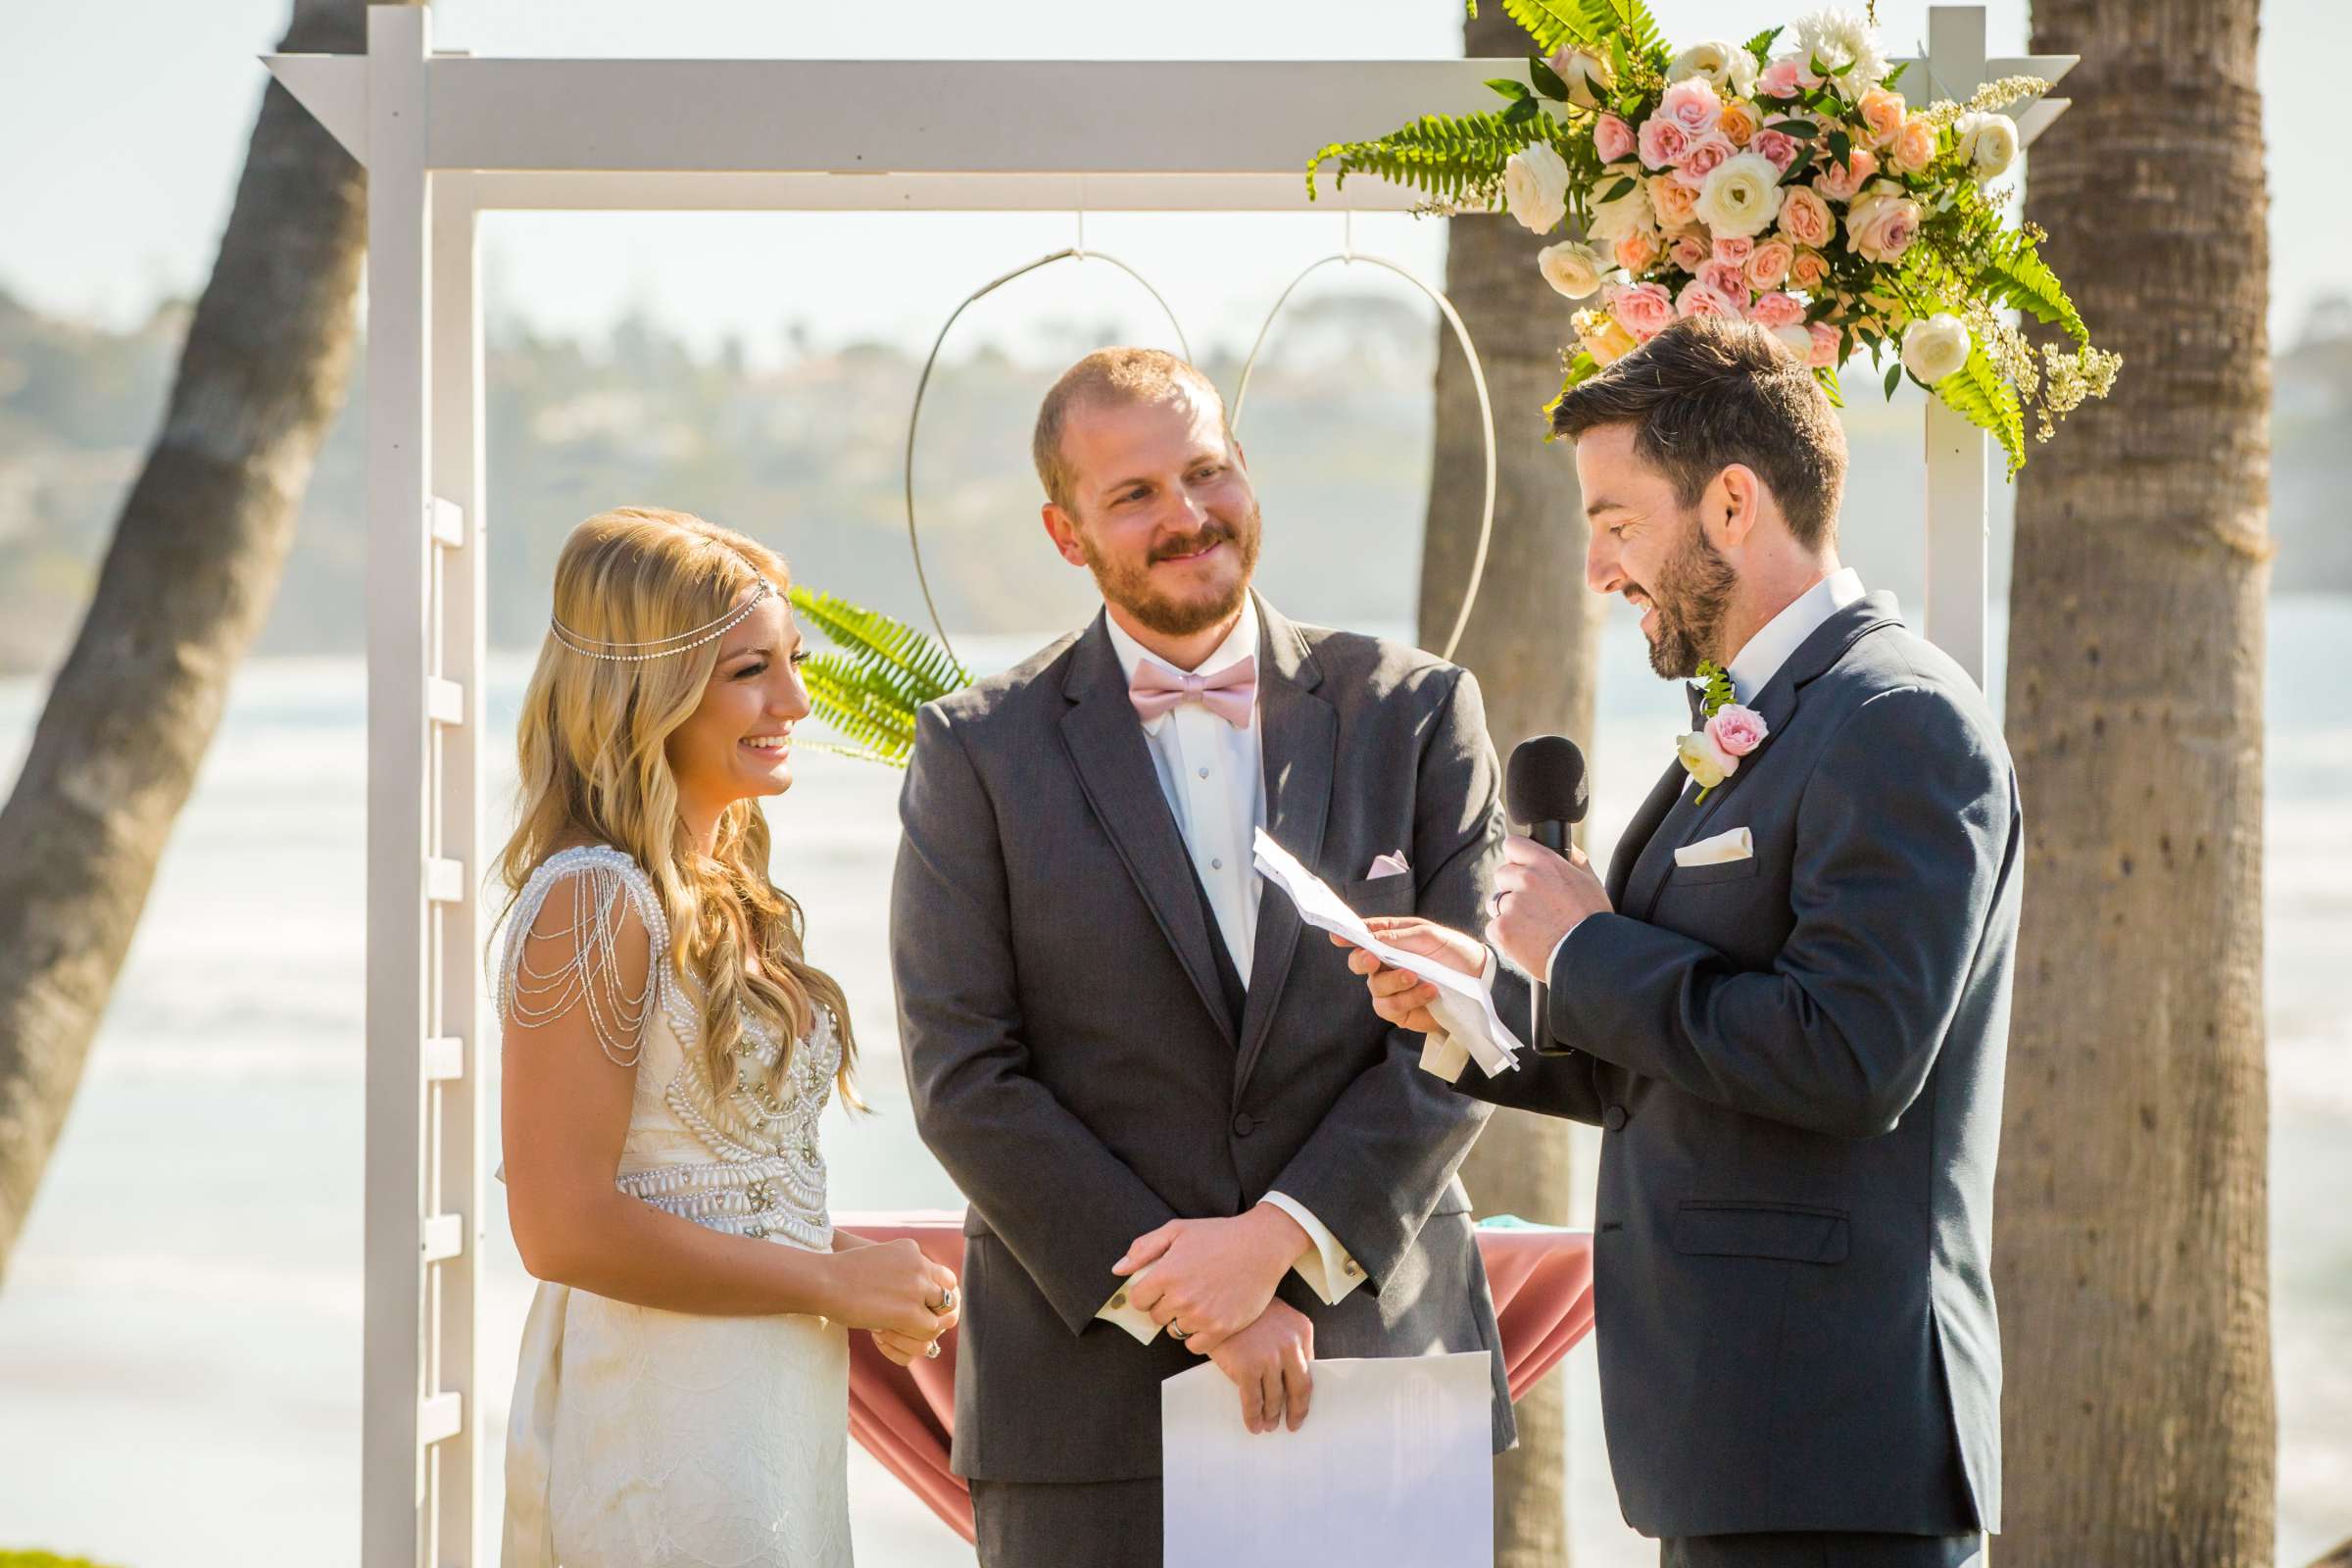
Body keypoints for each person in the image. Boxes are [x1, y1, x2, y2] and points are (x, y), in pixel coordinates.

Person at [1344, 317, 2021, 1568]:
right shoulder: (1761, 722)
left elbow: (1850, 1057)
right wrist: (1477, 1006)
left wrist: (1586, 948)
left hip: (1838, 1443)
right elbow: (1668, 1054)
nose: (1601, 569)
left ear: (1729, 503)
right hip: (1733, 1436)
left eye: (1617, 522)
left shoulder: (1899, 720)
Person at [891, 348, 1517, 1563]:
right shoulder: (976, 753)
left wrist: (1280, 1236)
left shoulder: (1420, 711)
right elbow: (964, 1075)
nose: (1186, 516)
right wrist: (1196, 1300)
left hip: (1379, 1371)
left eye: (1207, 471)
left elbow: (1464, 1026)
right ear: (1066, 533)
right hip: (1087, 1409)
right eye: (1134, 495)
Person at [494, 507, 959, 1568]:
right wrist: (830, 1283)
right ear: (642, 690)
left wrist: (862, 1270)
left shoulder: (718, 893)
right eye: (751, 670)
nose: (795, 700)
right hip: (665, 1412)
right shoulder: (593, 901)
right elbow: (561, 1227)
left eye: (792, 662)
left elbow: (713, 1185)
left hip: (767, 1397)